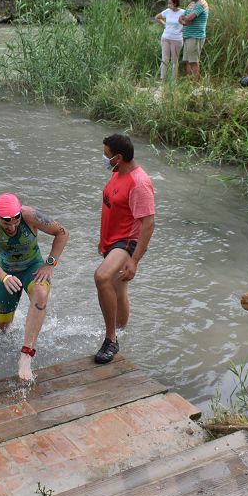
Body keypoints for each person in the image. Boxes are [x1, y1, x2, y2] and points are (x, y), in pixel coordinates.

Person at [0, 193, 69, 381]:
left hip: (33, 268)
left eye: (15, 222)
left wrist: (49, 263)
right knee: (2, 328)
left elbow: (62, 232)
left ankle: (26, 355)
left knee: (40, 292)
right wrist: (4, 278)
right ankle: (0, 362)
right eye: (6, 225)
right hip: (6, 273)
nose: (12, 228)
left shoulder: (29, 215)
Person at [93, 134, 156, 364]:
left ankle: (111, 339)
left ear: (118, 157)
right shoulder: (117, 173)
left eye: (106, 154)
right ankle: (121, 332)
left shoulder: (139, 183)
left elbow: (149, 224)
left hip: (128, 241)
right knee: (119, 291)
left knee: (102, 277)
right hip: (112, 241)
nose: (104, 158)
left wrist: (134, 260)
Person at [178, 0, 209, 78]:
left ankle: (195, 84)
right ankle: (189, 83)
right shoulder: (192, 4)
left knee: (194, 62)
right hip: (188, 36)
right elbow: (181, 17)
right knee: (188, 61)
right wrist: (184, 21)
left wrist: (185, 20)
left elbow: (188, 18)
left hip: (196, 36)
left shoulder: (201, 4)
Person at [154, 0, 185, 85]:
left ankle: (173, 81)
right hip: (165, 38)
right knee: (164, 59)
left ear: (175, 3)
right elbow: (157, 17)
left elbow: (188, 22)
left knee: (174, 60)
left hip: (177, 39)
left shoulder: (183, 12)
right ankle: (163, 79)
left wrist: (182, 29)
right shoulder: (167, 11)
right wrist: (164, 24)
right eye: (168, 3)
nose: (168, 5)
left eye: (170, 3)